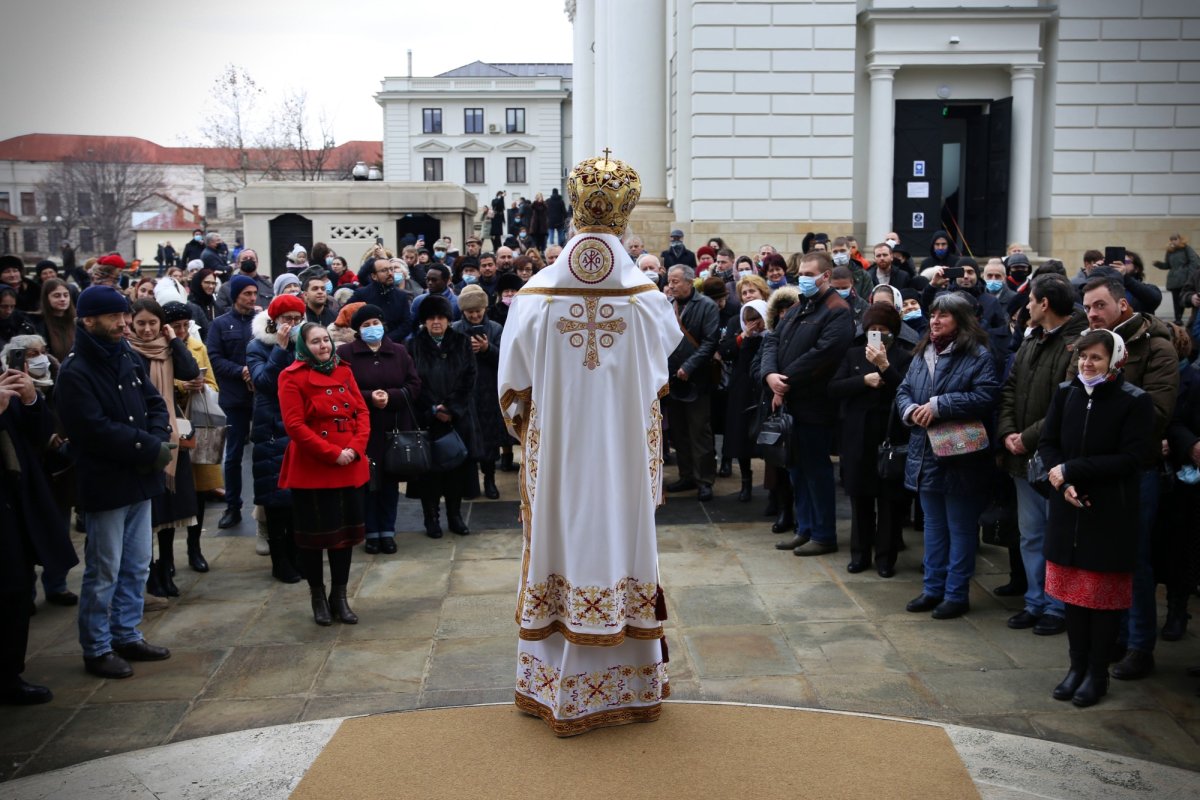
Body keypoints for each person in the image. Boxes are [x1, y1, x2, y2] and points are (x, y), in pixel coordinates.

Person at [499, 153, 680, 736]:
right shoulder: (648, 299)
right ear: (623, 225)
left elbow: (512, 394)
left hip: (558, 465)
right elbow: (661, 375)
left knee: (558, 542)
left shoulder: (533, 297)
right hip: (624, 459)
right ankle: (630, 683)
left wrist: (531, 422)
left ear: (576, 219)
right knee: (623, 544)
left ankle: (553, 686)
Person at [56, 285, 175, 678]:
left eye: (123, 315)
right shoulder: (76, 371)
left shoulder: (124, 353)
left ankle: (127, 634)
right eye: (114, 317)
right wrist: (147, 447)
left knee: (137, 564)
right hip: (107, 483)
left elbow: (154, 402)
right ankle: (97, 647)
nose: (123, 323)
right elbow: (94, 430)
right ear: (89, 320)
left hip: (139, 478)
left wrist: (158, 437)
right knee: (104, 569)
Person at [1039, 329, 1154, 707]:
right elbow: (1048, 441)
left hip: (1108, 512)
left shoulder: (1133, 401)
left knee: (1100, 599)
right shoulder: (1065, 392)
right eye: (1083, 356)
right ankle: (1076, 667)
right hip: (1067, 507)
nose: (1087, 364)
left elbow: (1133, 458)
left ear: (1115, 360)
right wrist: (1062, 479)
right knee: (1073, 596)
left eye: (1096, 358)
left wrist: (1075, 470)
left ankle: (1097, 673)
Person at [1075, 276, 1179, 680]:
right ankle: (1111, 635)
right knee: (1102, 558)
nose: (1093, 313)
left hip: (1136, 471)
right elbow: (1072, 399)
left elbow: (1155, 414)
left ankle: (1140, 644)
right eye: (1088, 307)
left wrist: (1098, 423)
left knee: (1134, 559)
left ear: (1122, 305)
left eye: (1100, 305)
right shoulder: (1089, 347)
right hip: (1094, 468)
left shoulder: (1156, 347)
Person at [896, 292, 1000, 619]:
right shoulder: (922, 352)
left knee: (960, 528)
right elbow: (903, 390)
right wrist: (911, 410)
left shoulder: (978, 356)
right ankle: (932, 588)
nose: (935, 321)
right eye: (933, 315)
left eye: (944, 315)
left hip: (960, 454)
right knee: (933, 527)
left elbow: (986, 396)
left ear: (961, 320)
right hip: (924, 453)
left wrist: (940, 405)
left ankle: (956, 594)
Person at [998, 274, 1088, 635]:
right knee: (1031, 534)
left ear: (1044, 304)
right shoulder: (1030, 340)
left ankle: (1057, 606)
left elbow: (1064, 402)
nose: (1027, 308)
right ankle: (1035, 601)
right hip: (1022, 459)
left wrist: (1028, 437)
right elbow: (1010, 389)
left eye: (1031, 301)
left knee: (1058, 536)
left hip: (1054, 459)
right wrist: (1007, 433)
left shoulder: (1077, 343)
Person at [762, 250, 855, 557]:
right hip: (791, 401)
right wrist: (770, 375)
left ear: (825, 276)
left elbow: (823, 354)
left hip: (815, 404)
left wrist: (784, 381)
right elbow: (773, 339)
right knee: (796, 469)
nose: (802, 278)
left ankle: (824, 533)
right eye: (800, 273)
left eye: (808, 273)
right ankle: (805, 528)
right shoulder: (801, 305)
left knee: (816, 470)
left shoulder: (837, 311)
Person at [277, 323, 370, 626]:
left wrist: (355, 449)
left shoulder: (344, 370)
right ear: (304, 347)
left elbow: (361, 413)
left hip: (349, 464)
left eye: (326, 341)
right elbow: (294, 425)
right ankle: (318, 596)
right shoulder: (291, 376)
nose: (323, 346)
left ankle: (339, 597)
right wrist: (332, 453)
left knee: (344, 536)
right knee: (314, 539)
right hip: (314, 466)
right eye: (315, 342)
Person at [0, 366, 78, 704]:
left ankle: (9, 676)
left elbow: (40, 434)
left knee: (16, 590)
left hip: (15, 503)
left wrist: (31, 399)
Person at [829, 304, 914, 577]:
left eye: (883, 330)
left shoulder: (903, 356)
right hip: (858, 435)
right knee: (860, 498)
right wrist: (862, 380)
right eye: (872, 330)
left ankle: (885, 557)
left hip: (889, 435)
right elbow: (834, 388)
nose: (877, 335)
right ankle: (860, 553)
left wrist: (884, 367)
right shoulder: (853, 353)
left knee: (889, 500)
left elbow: (905, 389)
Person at [126, 299, 201, 599]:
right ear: (131, 322)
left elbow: (190, 370)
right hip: (140, 435)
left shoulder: (167, 346)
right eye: (141, 323)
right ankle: (150, 571)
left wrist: (174, 340)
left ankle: (167, 564)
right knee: (149, 512)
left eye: (152, 323)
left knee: (170, 507)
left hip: (169, 434)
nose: (146, 330)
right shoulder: (126, 350)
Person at [337, 304, 421, 553]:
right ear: (357, 330)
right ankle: (370, 531)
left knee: (390, 482)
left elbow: (414, 385)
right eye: (365, 325)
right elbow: (342, 388)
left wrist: (392, 396)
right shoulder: (346, 354)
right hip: (362, 428)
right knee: (367, 481)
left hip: (393, 426)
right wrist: (368, 397)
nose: (372, 329)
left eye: (375, 323)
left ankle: (388, 530)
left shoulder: (399, 352)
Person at [404, 295, 479, 538]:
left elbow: (469, 377)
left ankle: (455, 516)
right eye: (431, 318)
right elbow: (413, 380)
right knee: (429, 473)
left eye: (441, 317)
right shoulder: (413, 345)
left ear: (449, 319)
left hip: (457, 418)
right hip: (427, 418)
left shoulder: (461, 341)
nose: (436, 322)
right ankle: (431, 518)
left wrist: (451, 407)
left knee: (456, 470)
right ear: (424, 321)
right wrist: (433, 408)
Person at [247, 295, 305, 584]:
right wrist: (280, 350)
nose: (292, 325)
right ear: (275, 321)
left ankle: (298, 557)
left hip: (300, 428)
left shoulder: (305, 344)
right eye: (287, 319)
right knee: (276, 501)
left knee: (299, 502)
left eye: (297, 319)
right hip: (272, 428)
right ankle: (280, 561)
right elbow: (265, 383)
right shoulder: (258, 346)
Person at [163, 302, 219, 572]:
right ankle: (167, 557)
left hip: (196, 423)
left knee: (198, 491)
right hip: (172, 424)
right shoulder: (160, 350)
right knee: (172, 491)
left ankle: (195, 548)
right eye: (176, 327)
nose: (182, 331)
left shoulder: (199, 347)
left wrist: (202, 384)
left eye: (186, 325)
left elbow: (213, 384)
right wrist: (181, 385)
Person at [206, 275, 259, 529]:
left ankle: (264, 506)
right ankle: (233, 505)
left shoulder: (262, 322)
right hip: (234, 397)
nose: (251, 298)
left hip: (261, 397)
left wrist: (257, 370)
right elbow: (214, 358)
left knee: (264, 452)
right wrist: (241, 371)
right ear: (236, 295)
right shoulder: (220, 324)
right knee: (233, 455)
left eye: (254, 293)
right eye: (247, 293)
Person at [664, 264, 720, 501]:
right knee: (679, 432)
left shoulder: (706, 306)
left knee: (699, 432)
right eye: (669, 281)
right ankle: (686, 474)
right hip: (673, 379)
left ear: (689, 281)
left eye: (676, 281)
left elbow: (710, 342)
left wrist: (689, 366)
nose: (672, 285)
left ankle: (705, 480)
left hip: (697, 379)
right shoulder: (667, 306)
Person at [452, 285, 505, 500]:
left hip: (489, 392)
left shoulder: (495, 329)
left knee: (490, 440)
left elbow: (506, 359)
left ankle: (490, 479)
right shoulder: (455, 329)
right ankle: (470, 484)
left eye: (478, 310)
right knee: (467, 438)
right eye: (470, 311)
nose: (474, 315)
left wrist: (487, 349)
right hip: (466, 393)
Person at [718, 297, 769, 501]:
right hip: (742, 389)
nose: (754, 324)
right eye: (749, 319)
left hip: (764, 389)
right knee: (741, 435)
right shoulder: (741, 334)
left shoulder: (772, 336)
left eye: (758, 319)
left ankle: (774, 488)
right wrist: (744, 337)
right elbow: (725, 351)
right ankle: (745, 482)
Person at [351, 259, 413, 343]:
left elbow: (406, 324)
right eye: (384, 270)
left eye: (391, 269)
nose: (390, 273)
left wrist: (388, 340)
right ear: (374, 276)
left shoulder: (401, 296)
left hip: (394, 344)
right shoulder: (361, 294)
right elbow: (347, 316)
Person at [1155, 234, 1200, 325]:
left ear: (1180, 239)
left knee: (1181, 297)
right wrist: (1159, 264)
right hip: (1174, 279)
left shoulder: (1186, 249)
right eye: (1171, 239)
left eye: (1175, 239)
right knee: (1175, 299)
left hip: (1184, 278)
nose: (1173, 241)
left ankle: (1179, 317)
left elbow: (1194, 261)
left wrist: (1190, 276)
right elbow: (1168, 265)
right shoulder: (1170, 251)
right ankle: (1177, 318)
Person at [34, 278, 76, 363]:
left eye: (66, 295)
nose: (63, 299)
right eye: (57, 296)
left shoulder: (76, 321)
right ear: (47, 298)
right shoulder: (38, 323)